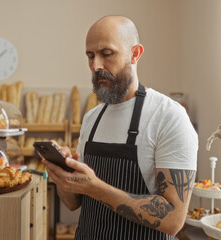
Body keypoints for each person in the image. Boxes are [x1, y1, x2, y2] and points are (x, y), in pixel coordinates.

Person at [42, 15, 198, 240]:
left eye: (106, 54)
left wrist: (95, 187)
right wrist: (64, 180)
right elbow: (74, 204)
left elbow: (174, 220)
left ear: (135, 54)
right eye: (90, 56)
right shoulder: (92, 119)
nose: (96, 66)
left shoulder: (168, 116)